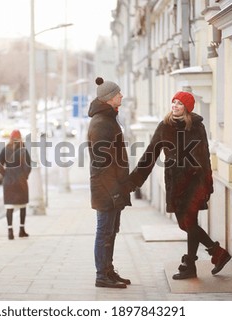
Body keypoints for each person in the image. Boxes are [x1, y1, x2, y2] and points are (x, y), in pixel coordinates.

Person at [128, 91, 231, 280]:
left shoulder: (197, 127)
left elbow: (205, 156)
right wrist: (134, 181)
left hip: (195, 182)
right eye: (173, 102)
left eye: (179, 103)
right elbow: (150, 155)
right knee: (187, 224)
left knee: (188, 222)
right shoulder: (164, 127)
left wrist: (207, 184)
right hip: (176, 183)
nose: (174, 106)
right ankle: (215, 252)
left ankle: (193, 263)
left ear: (187, 108)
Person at [87, 77, 132, 288]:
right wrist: (115, 191)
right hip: (106, 189)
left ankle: (108, 270)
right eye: (118, 94)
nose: (121, 96)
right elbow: (102, 164)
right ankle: (101, 275)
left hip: (113, 188)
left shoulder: (109, 119)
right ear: (109, 98)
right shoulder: (101, 123)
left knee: (111, 231)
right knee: (104, 231)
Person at [0, 129, 31, 240]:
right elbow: (28, 166)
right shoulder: (23, 150)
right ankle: (21, 230)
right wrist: (24, 175)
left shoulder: (5, 149)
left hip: (8, 182)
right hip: (20, 181)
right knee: (22, 206)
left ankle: (10, 232)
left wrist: (5, 174)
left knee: (9, 207)